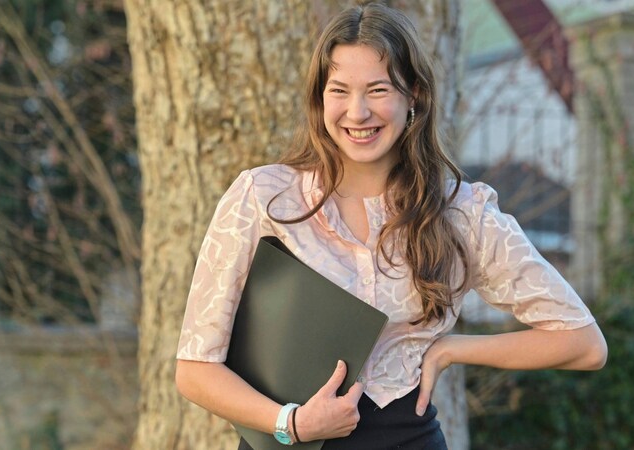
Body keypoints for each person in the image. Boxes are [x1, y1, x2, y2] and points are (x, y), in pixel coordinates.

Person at [175, 2, 607, 449]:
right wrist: (293, 422)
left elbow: (583, 342)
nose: (357, 112)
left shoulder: (460, 212)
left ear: (413, 95)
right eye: (339, 90)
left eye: (378, 90)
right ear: (320, 98)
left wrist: (454, 349)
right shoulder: (264, 198)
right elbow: (194, 368)